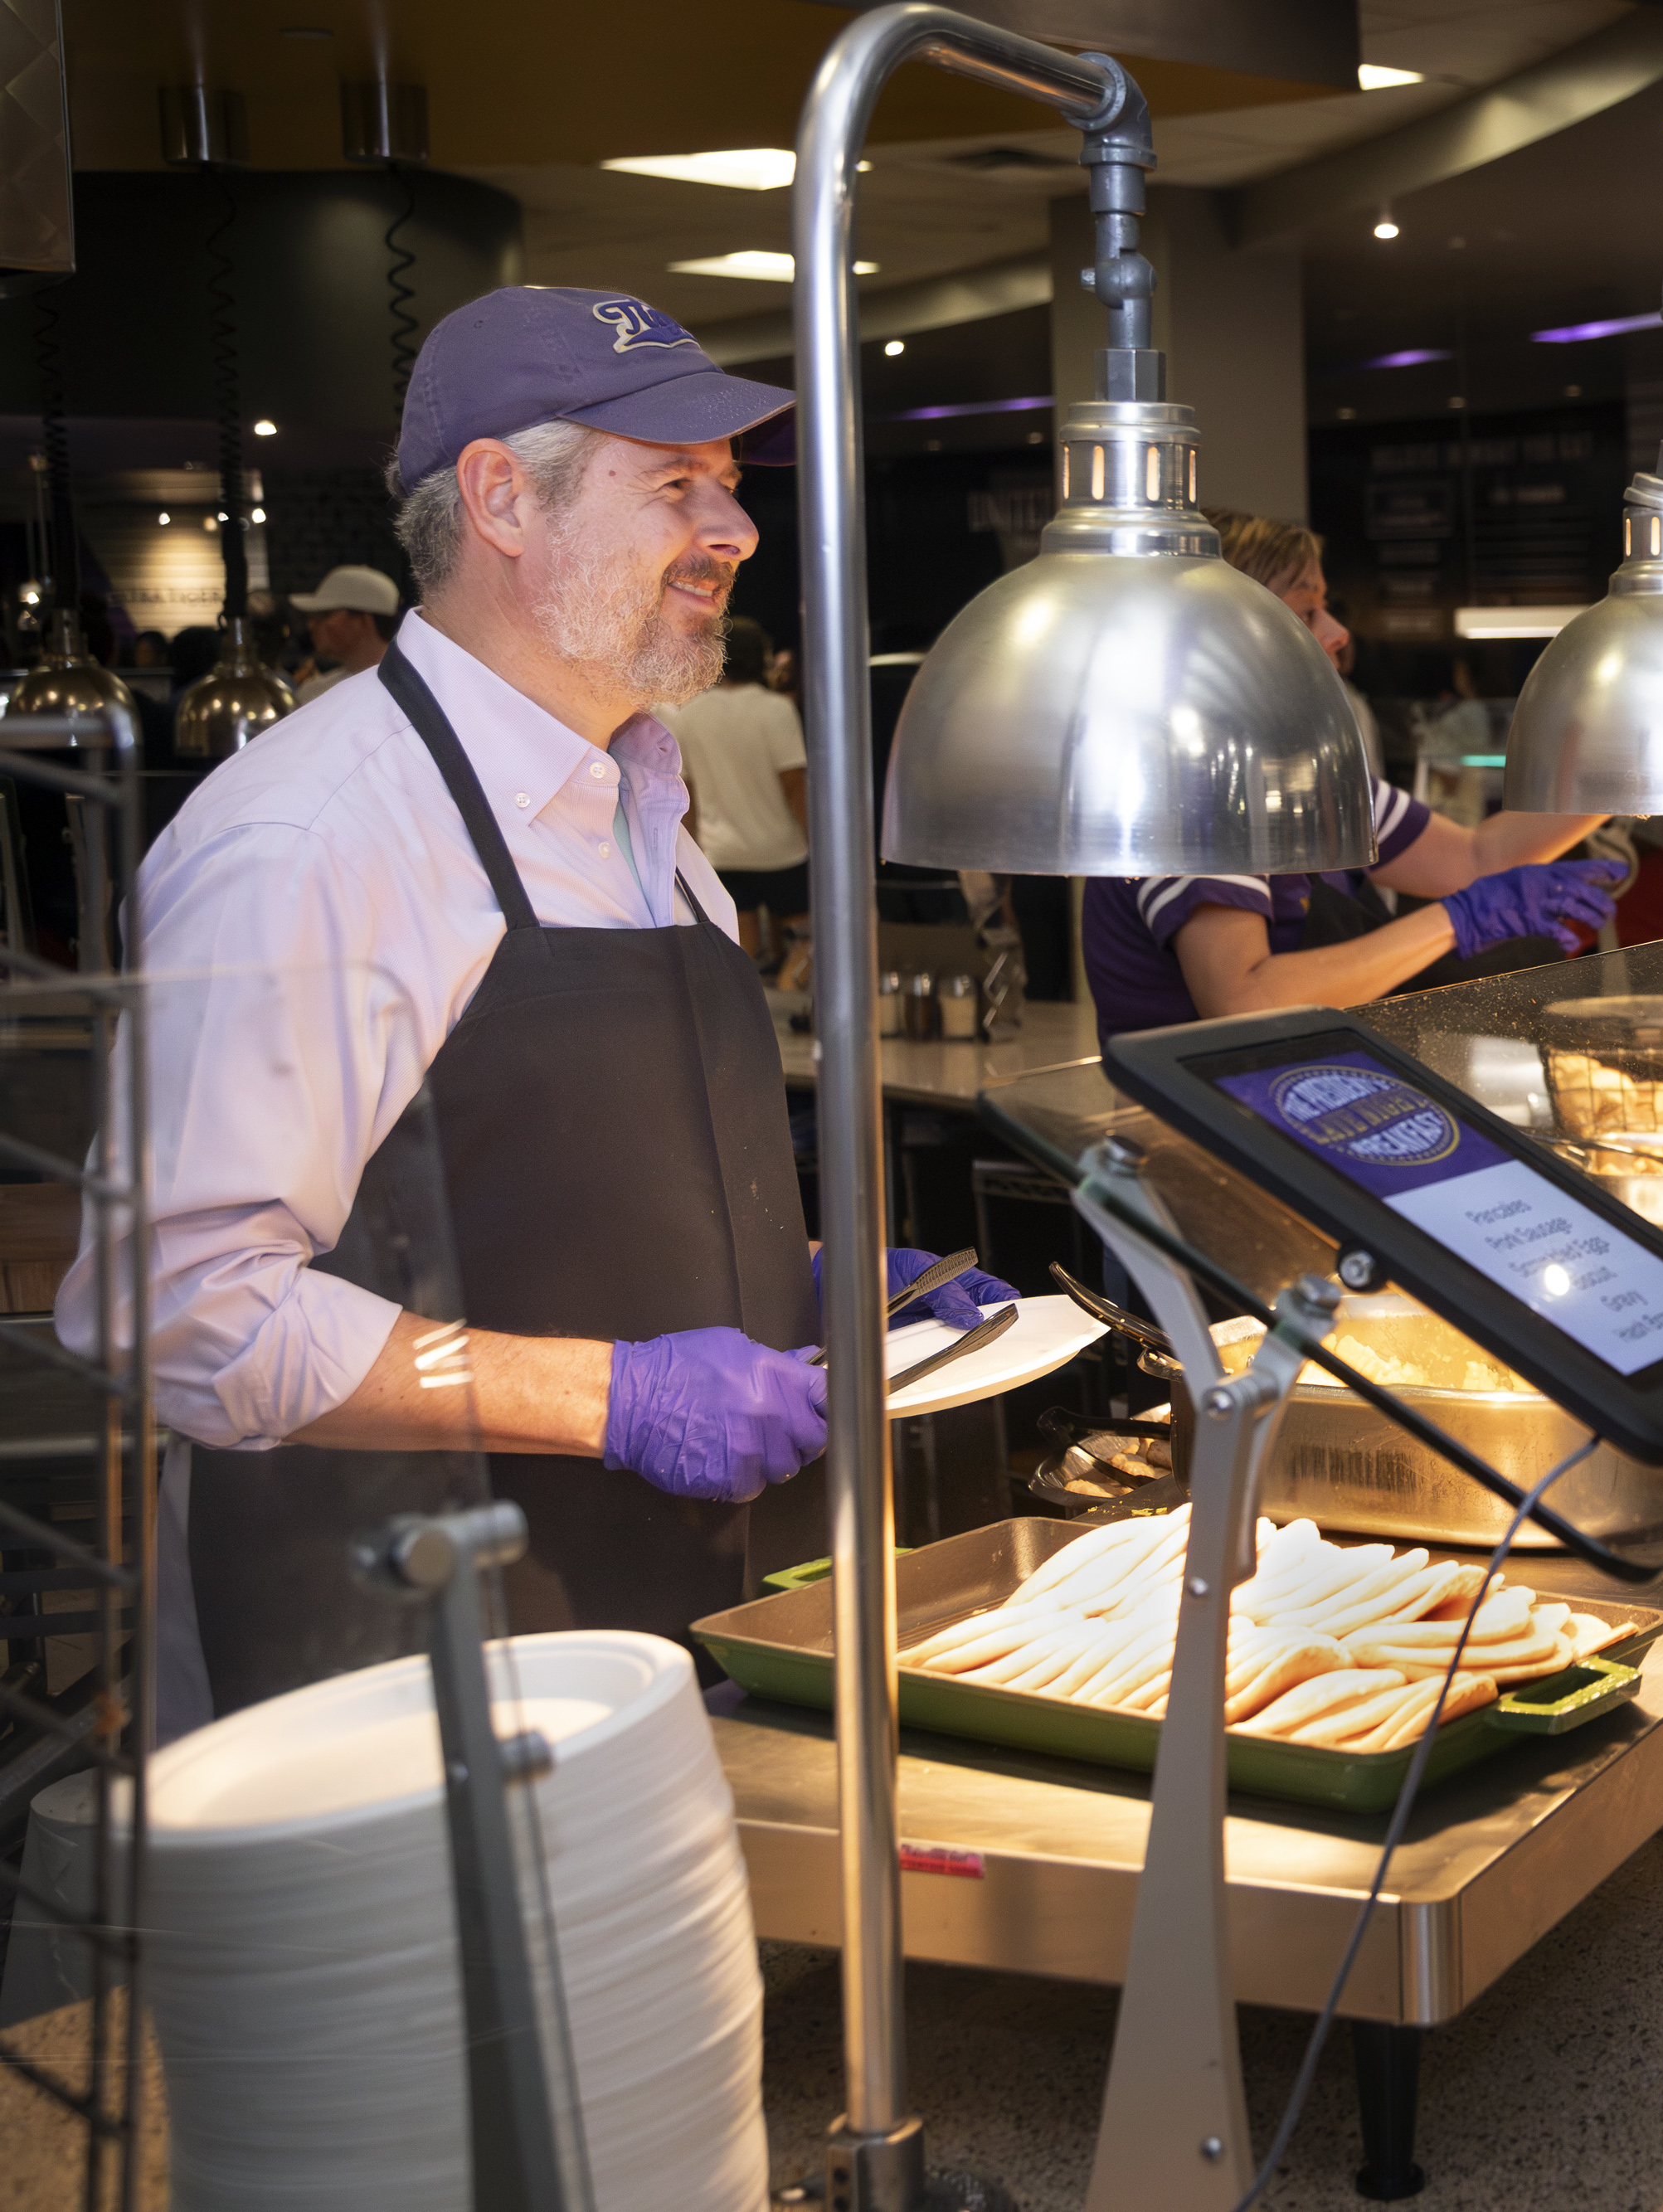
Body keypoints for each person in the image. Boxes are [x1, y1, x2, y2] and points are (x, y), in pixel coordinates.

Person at [57, 286, 1014, 1728]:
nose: (734, 533)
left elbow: (542, 1195)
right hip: (394, 1689)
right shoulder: (314, 837)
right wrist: (615, 1397)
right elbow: (180, 1308)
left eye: (734, 489)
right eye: (675, 484)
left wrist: (796, 1270)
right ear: (502, 497)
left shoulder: (644, 808)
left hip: (678, 1646)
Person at [1082, 510, 1617, 1046]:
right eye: (1308, 612)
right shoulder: (1192, 787)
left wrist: (1625, 774)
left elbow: (1475, 858)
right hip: (1204, 1115)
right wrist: (1458, 919)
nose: (1338, 634)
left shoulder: (1306, 778)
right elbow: (1242, 999)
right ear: (1226, 638)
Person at [665, 613, 808, 961]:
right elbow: (795, 788)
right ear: (761, 655)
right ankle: (789, 1000)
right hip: (781, 853)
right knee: (810, 946)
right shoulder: (776, 710)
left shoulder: (690, 714)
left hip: (722, 853)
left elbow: (689, 798)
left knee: (739, 959)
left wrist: (693, 853)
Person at [285, 564, 401, 700]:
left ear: (363, 621)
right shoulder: (315, 693)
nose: (311, 625)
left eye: (325, 614)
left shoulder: (409, 691)